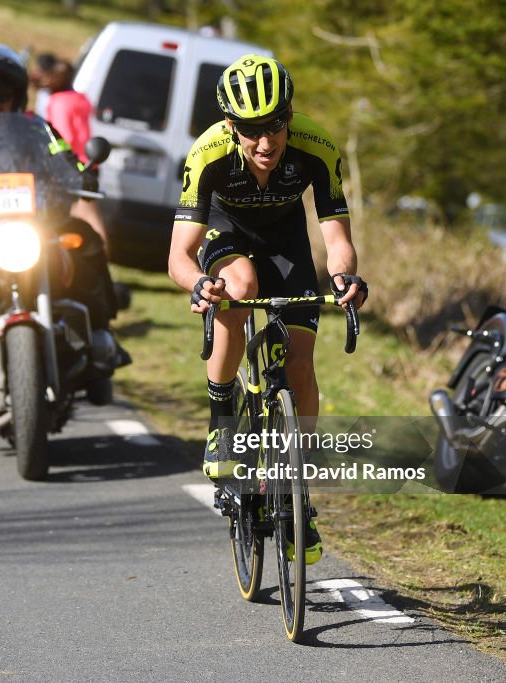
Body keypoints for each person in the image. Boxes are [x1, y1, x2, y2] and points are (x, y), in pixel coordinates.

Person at [167, 54, 368, 565]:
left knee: (300, 365)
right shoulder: (208, 153)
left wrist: (344, 276)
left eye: (276, 125)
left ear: (290, 115)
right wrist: (199, 285)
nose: (266, 142)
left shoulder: (316, 147)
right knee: (241, 284)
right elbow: (177, 255)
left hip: (286, 242)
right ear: (231, 125)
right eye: (252, 130)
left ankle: (299, 495)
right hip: (224, 232)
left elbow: (336, 236)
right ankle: (222, 423)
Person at [0, 43, 128, 391]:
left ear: (17, 98)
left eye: (2, 96)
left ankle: (103, 332)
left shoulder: (40, 131)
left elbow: (66, 159)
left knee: (86, 240)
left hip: (36, 226)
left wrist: (82, 173)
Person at [44, 60, 92, 162]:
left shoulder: (60, 103)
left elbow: (63, 136)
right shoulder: (80, 99)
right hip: (87, 160)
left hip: (71, 164)